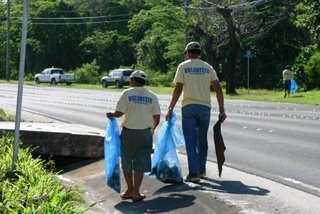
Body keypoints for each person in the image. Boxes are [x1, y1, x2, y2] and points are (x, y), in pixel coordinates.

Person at [165, 41, 227, 183]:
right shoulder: (208, 67)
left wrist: (170, 108)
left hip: (189, 107)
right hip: (205, 108)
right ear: (199, 53)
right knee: (202, 139)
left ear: (189, 52)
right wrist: (222, 110)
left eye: (186, 53)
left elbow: (178, 88)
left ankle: (194, 173)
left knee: (191, 141)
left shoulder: (183, 66)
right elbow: (218, 89)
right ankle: (201, 169)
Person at [106, 70, 161, 202]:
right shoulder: (152, 96)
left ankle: (129, 189)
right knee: (140, 164)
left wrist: (112, 115)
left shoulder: (127, 93)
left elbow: (119, 113)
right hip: (145, 134)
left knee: (127, 162)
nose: (130, 81)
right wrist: (151, 130)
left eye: (131, 79)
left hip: (128, 134)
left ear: (134, 80)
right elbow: (157, 117)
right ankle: (136, 192)